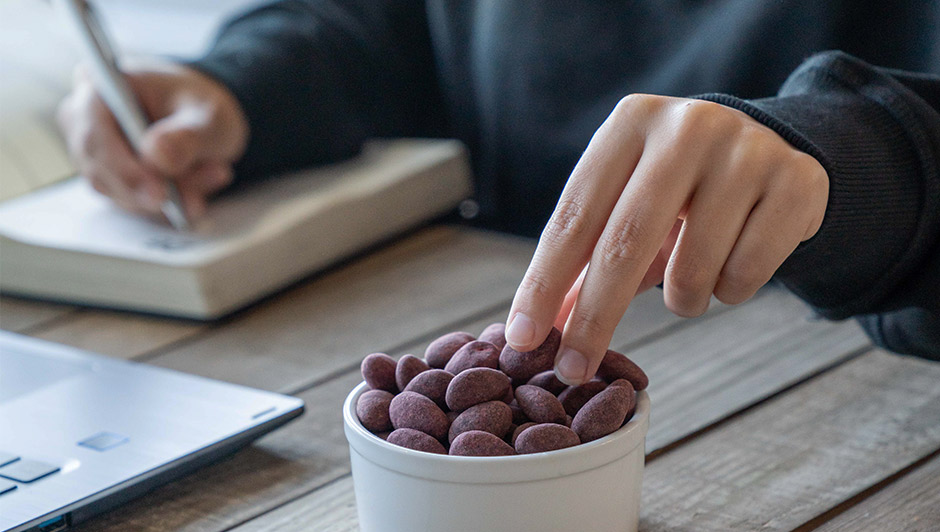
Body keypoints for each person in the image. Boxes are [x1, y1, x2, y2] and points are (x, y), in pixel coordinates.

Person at [57, 1, 940, 381]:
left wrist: (856, 163)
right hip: (468, 288)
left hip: (839, 396)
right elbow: (400, 32)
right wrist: (240, 88)